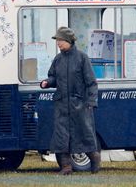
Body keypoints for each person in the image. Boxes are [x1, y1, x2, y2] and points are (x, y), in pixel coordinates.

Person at [40, 26, 100, 175]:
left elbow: (91, 82)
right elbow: (53, 77)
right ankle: (66, 167)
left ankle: (94, 158)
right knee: (61, 137)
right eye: (57, 40)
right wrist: (47, 82)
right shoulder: (57, 59)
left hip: (79, 105)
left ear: (69, 41)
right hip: (61, 105)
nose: (58, 43)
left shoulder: (82, 58)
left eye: (60, 40)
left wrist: (91, 102)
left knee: (83, 135)